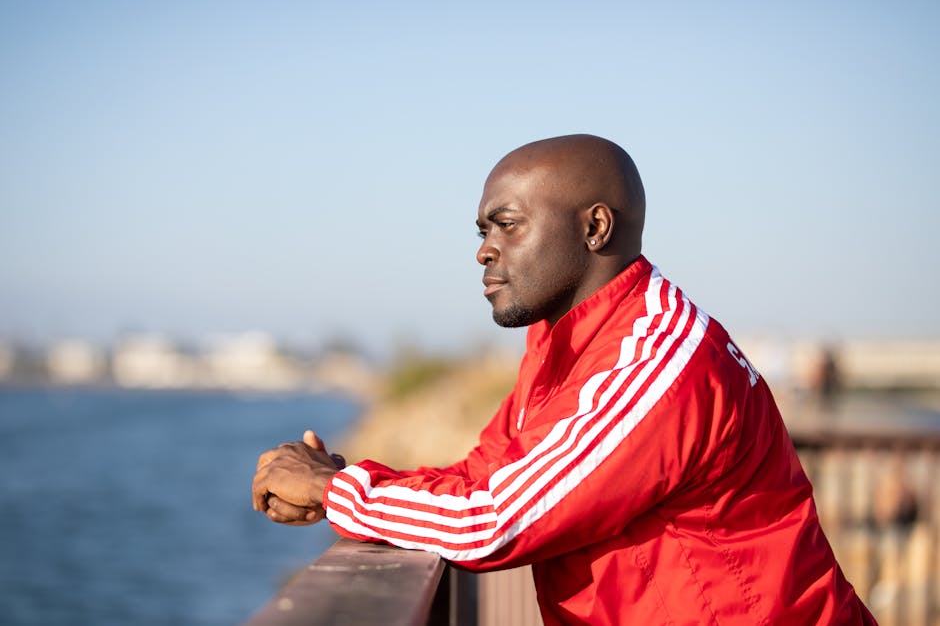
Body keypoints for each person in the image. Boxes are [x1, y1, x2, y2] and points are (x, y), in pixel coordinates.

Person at [252, 135, 876, 624]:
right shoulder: (567, 345)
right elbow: (483, 477)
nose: (484, 250)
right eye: (482, 231)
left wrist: (335, 490)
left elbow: (494, 520)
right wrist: (341, 483)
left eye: (508, 224)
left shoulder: (656, 358)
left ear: (594, 227)